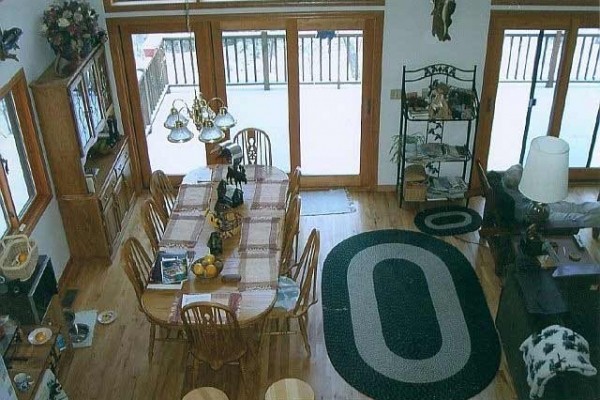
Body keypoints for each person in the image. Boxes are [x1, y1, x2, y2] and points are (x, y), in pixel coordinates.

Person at [501, 164, 600, 227]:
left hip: (541, 205)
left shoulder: (508, 180)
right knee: (576, 218)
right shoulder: (515, 202)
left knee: (575, 207)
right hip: (540, 216)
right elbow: (529, 215)